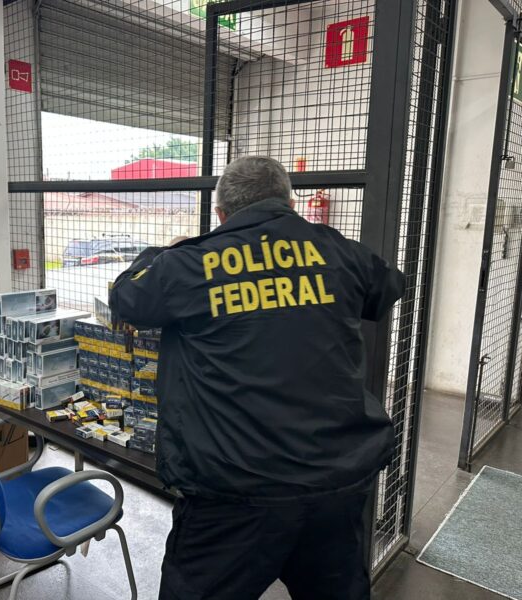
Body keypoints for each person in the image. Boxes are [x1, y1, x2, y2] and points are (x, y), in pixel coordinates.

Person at [110, 156, 405, 600]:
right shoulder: (338, 250)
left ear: (221, 214)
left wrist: (164, 252)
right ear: (290, 203)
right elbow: (386, 289)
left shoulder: (188, 264)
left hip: (233, 491)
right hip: (335, 482)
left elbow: (126, 296)